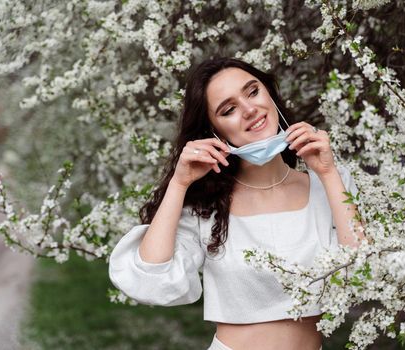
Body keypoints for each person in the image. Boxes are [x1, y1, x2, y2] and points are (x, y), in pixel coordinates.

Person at [108, 57, 366, 350]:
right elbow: (152, 277)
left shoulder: (327, 185)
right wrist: (179, 184)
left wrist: (329, 173)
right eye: (228, 110)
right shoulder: (207, 207)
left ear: (271, 94)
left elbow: (362, 272)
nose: (249, 110)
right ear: (214, 132)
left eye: (253, 92)